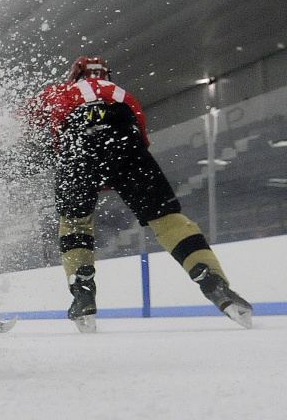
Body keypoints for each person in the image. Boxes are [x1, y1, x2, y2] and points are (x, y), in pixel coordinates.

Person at [22, 56, 253, 331]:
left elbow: (24, 122)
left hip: (76, 146)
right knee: (167, 219)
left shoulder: (61, 92)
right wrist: (121, 171)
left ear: (75, 76)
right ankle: (212, 281)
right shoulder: (120, 94)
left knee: (75, 223)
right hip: (125, 141)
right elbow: (140, 136)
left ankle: (82, 290)